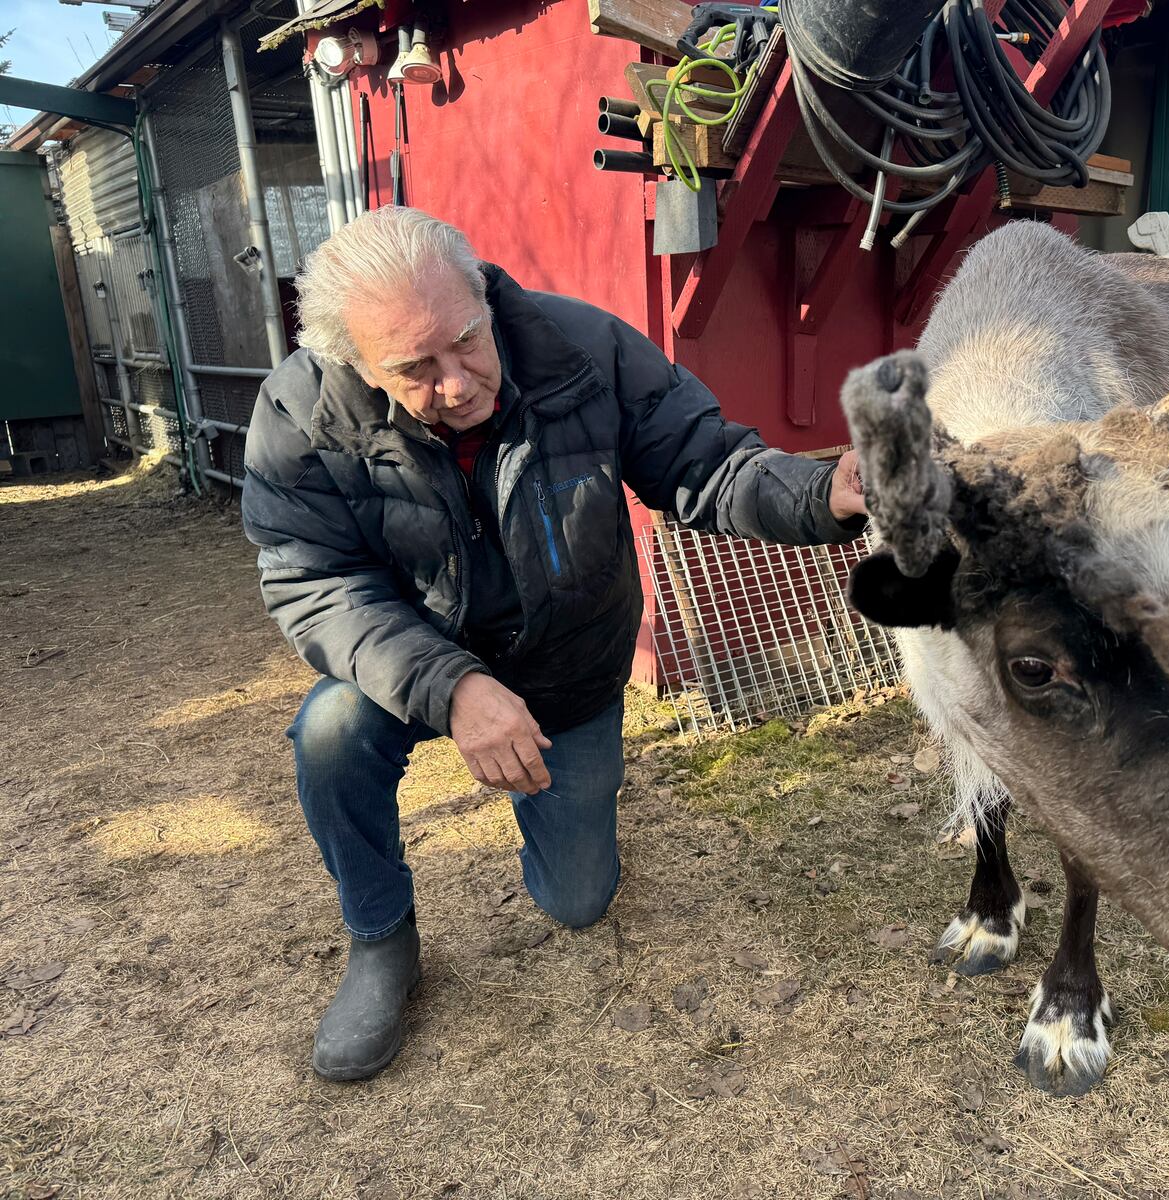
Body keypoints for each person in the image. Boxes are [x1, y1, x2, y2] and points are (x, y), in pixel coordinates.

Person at [240, 205, 866, 1081]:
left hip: (568, 662)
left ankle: (557, 830)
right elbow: (314, 582)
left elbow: (706, 466)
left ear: (484, 295)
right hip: (414, 657)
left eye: (466, 341)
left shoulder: (586, 351)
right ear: (352, 362)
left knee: (577, 903)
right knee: (330, 732)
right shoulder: (299, 413)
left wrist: (824, 491)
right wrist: (454, 688)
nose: (456, 384)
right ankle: (380, 939)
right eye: (414, 369)